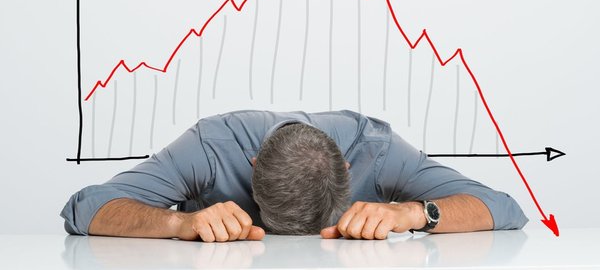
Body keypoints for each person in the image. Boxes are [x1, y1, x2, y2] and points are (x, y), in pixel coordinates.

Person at [61, 110, 528, 242]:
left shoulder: (377, 149)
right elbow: (84, 207)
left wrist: (414, 213)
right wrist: (178, 223)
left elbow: (507, 209)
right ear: (252, 171)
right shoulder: (209, 147)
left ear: (348, 170)